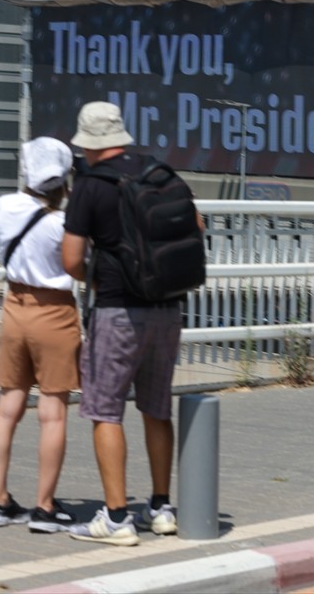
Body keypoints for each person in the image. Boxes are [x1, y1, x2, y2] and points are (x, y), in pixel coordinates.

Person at [61, 101, 201, 546]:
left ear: (88, 144)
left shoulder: (90, 185)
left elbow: (70, 259)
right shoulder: (160, 172)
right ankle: (160, 508)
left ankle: (116, 517)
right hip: (167, 308)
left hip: (118, 310)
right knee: (157, 408)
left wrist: (97, 279)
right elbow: (195, 224)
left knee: (105, 411)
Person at [0, 137, 81, 534]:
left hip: (13, 309)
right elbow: (78, 265)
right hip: (53, 312)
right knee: (52, 413)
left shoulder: (5, 206)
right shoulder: (63, 223)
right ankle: (44, 507)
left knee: (7, 408)